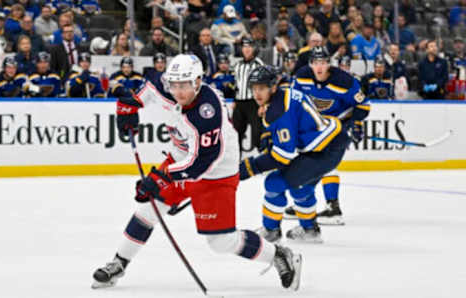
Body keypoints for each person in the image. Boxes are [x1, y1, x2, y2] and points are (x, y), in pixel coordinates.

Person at [91, 54, 302, 291]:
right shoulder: (165, 85)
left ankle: (278, 255)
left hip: (216, 173)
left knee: (221, 242)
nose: (178, 92)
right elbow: (145, 92)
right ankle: (119, 263)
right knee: (147, 209)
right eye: (174, 85)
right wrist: (129, 106)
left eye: (185, 86)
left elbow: (200, 163)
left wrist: (160, 178)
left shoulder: (207, 112)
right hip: (180, 160)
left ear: (198, 81)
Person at [238, 63, 351, 242]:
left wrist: (248, 168)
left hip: (324, 151)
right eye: (254, 89)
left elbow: (282, 156)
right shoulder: (282, 95)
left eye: (261, 88)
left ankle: (271, 230)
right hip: (331, 144)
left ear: (273, 87)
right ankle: (310, 231)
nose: (257, 94)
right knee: (300, 186)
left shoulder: (277, 109)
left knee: (274, 183)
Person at [283, 46, 370, 225]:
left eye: (323, 62)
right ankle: (304, 204)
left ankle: (333, 208)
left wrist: (355, 123)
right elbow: (294, 102)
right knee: (313, 164)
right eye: (315, 63)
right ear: (310, 64)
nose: (319, 67)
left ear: (329, 63)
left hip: (338, 126)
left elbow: (364, 106)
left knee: (326, 162)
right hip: (317, 127)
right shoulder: (301, 76)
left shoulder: (344, 81)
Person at [232, 37, 264, 153]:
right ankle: (236, 164)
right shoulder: (237, 65)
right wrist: (235, 100)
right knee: (236, 135)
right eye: (244, 47)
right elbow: (236, 84)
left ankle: (262, 161)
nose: (247, 49)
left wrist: (262, 104)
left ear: (254, 48)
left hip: (254, 102)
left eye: (249, 47)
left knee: (257, 134)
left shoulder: (258, 64)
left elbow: (263, 85)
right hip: (240, 103)